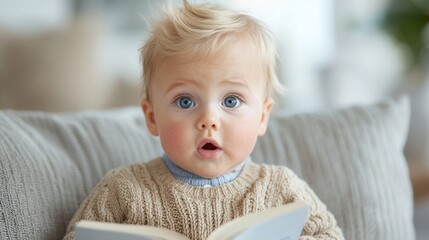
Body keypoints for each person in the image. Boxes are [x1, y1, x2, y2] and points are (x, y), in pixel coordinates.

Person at [64, 1, 344, 239]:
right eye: (185, 101)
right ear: (152, 117)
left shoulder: (282, 187)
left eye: (231, 101)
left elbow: (330, 235)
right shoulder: (122, 190)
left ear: (262, 117)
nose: (209, 120)